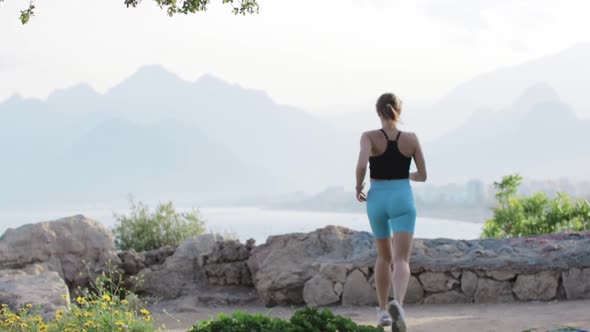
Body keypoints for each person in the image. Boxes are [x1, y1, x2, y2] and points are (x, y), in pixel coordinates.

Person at [355, 92, 427, 332]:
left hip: (376, 198)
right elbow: (423, 176)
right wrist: (403, 177)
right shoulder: (411, 139)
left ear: (378, 112)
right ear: (399, 112)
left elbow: (362, 165)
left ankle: (384, 312)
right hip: (402, 198)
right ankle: (400, 306)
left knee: (384, 256)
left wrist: (358, 187)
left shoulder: (369, 137)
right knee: (401, 259)